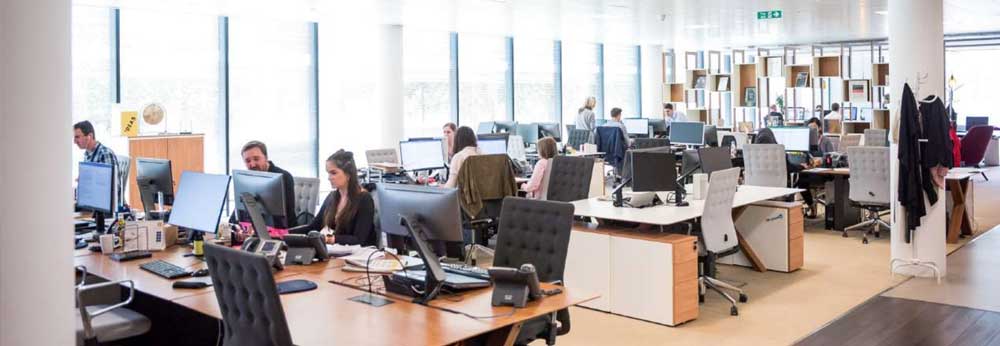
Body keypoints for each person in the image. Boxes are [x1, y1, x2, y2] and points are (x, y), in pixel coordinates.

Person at [290, 150, 377, 246]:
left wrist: (328, 239)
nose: (329, 177)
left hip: (358, 255)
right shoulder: (332, 197)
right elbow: (314, 227)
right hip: (337, 251)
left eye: (333, 173)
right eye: (328, 173)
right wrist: (283, 234)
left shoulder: (364, 199)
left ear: (348, 175)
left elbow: (359, 239)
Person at [234, 140, 297, 228]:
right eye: (247, 161)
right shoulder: (247, 179)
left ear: (266, 158)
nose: (252, 164)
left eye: (256, 159)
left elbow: (287, 214)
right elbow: (240, 207)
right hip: (256, 229)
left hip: (282, 230)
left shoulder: (284, 176)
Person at [74, 120, 124, 208]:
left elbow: (114, 188)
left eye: (77, 137)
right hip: (92, 203)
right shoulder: (87, 154)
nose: (75, 141)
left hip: (105, 208)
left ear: (89, 136)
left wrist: (89, 182)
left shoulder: (105, 154)